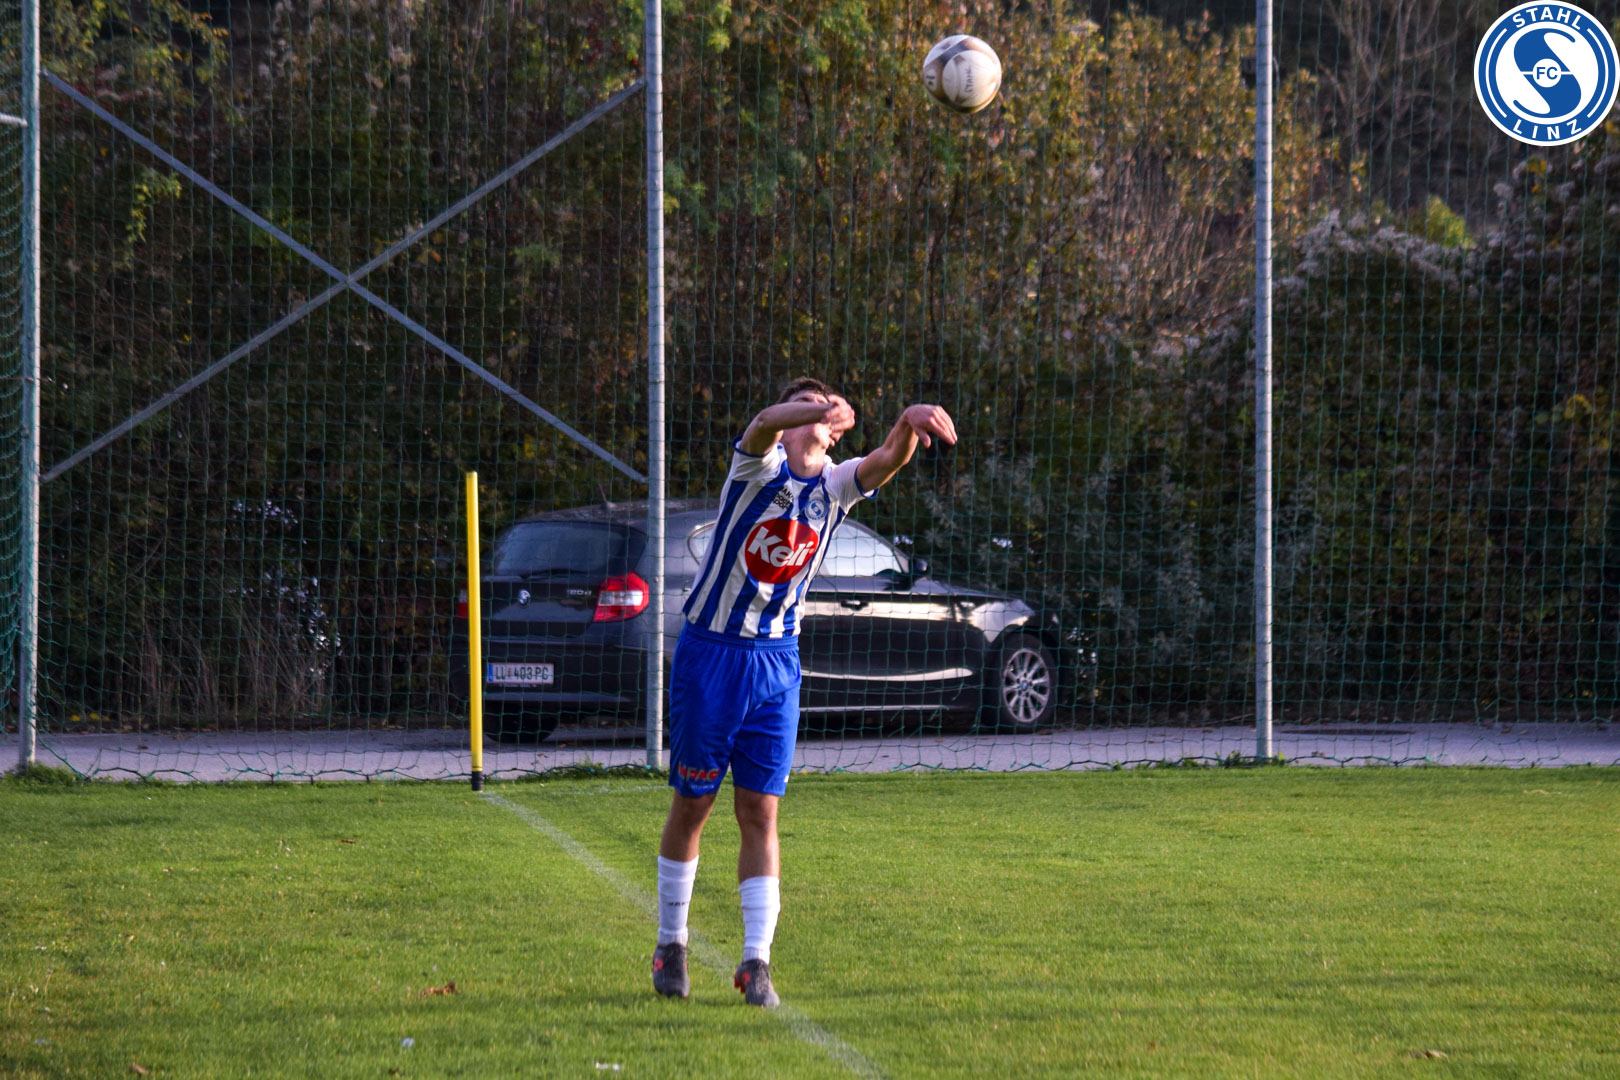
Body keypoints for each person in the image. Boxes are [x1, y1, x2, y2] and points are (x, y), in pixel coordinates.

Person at [651, 376, 957, 1007]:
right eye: (814, 412)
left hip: (776, 663)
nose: (826, 424)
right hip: (712, 654)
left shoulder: (834, 487)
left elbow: (888, 458)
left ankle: (755, 962)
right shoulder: (756, 469)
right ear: (797, 424)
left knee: (761, 811)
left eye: (829, 415)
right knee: (693, 805)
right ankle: (671, 945)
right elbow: (765, 419)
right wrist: (813, 408)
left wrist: (909, 419)